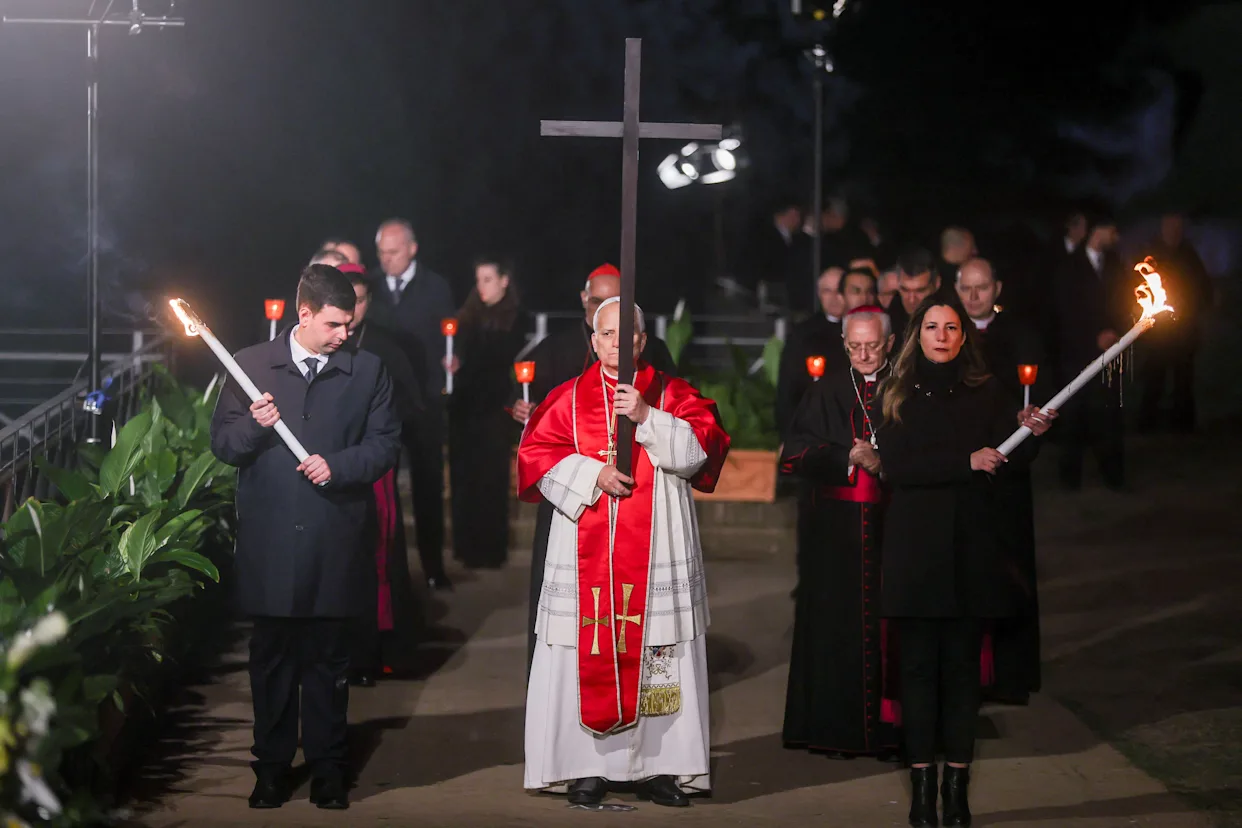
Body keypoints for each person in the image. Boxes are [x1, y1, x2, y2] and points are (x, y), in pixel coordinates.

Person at [518, 296, 730, 807]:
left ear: (642, 340)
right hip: (583, 552)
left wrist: (649, 416)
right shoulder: (566, 398)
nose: (617, 343)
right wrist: (592, 473)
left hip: (656, 550)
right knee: (583, 647)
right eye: (606, 334)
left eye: (627, 335)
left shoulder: (673, 393)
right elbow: (535, 457)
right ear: (594, 341)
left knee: (659, 649)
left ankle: (660, 767)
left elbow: (704, 449)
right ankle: (586, 768)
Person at [210, 264, 401, 810]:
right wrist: (254, 424)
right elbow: (224, 445)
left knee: (327, 659)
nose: (345, 334)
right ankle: (270, 768)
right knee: (270, 659)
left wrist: (337, 466)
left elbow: (386, 444)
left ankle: (327, 769)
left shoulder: (367, 371)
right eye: (336, 324)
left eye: (350, 323)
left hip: (334, 538)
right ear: (305, 314)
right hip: (270, 542)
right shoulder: (250, 366)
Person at [877, 296, 1055, 826]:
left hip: (970, 551)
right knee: (917, 672)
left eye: (951, 327)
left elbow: (1009, 456)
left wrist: (1029, 432)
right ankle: (920, 789)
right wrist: (964, 462)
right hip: (916, 552)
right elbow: (899, 467)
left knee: (960, 675)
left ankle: (956, 788)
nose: (942, 334)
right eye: (932, 326)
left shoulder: (987, 391)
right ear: (917, 334)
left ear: (962, 335)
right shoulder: (897, 393)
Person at [510, 262, 678, 670]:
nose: (608, 312)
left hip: (633, 496)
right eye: (600, 301)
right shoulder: (555, 347)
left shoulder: (651, 352)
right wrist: (523, 410)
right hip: (573, 498)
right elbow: (531, 415)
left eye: (618, 300)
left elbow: (678, 413)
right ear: (585, 302)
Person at [779, 305, 900, 760]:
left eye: (872, 345)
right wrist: (846, 458)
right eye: (855, 346)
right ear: (843, 344)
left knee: (892, 632)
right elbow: (792, 457)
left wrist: (884, 462)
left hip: (894, 529)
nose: (864, 354)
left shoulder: (907, 389)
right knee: (837, 630)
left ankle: (891, 732)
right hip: (835, 536)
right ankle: (837, 731)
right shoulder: (827, 389)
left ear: (889, 343)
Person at [957, 258, 1048, 703]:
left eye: (982, 287)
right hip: (963, 472)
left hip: (1008, 478)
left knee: (1010, 569)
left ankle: (1011, 675)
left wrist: (1028, 422)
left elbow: (1036, 399)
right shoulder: (949, 335)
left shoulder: (1020, 335)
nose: (974, 296)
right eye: (966, 288)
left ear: (997, 288)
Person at [340, 263, 428, 687]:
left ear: (368, 303)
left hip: (373, 469)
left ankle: (378, 649)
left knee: (378, 557)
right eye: (344, 300)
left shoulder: (385, 347)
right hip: (331, 468)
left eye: (358, 301)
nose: (351, 310)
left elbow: (412, 405)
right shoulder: (321, 344)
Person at [366, 218, 457, 590]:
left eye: (394, 252)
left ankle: (434, 567)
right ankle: (382, 572)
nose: (387, 259)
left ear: (412, 248)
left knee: (428, 486)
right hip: (379, 402)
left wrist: (454, 360)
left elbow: (452, 336)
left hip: (424, 403)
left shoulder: (436, 287)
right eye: (382, 253)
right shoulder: (368, 287)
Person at [446, 257, 528, 568]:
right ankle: (465, 546)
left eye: (488, 279)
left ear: (504, 280)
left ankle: (491, 549)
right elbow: (459, 353)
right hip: (465, 407)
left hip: (494, 408)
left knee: (491, 480)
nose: (481, 286)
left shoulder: (516, 318)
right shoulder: (468, 316)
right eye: (478, 279)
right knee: (465, 477)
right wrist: (452, 362)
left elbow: (502, 360)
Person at [1053, 215, 1130, 490]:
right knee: (1073, 417)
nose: (1116, 237)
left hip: (1109, 356)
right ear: (1099, 230)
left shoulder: (1115, 265)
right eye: (1113, 229)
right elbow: (1065, 311)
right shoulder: (1069, 266)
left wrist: (1115, 333)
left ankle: (1114, 476)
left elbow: (1125, 301)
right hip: (1077, 355)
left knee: (1109, 416)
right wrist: (1092, 338)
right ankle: (1069, 480)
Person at [1139, 212, 1214, 432]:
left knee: (1183, 379)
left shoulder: (1189, 255)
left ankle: (1183, 425)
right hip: (1158, 332)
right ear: (1163, 228)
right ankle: (1147, 424)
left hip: (1185, 331)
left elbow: (1203, 288)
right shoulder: (1152, 255)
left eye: (1178, 227)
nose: (1174, 232)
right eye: (1170, 227)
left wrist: (1195, 310)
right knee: (1154, 377)